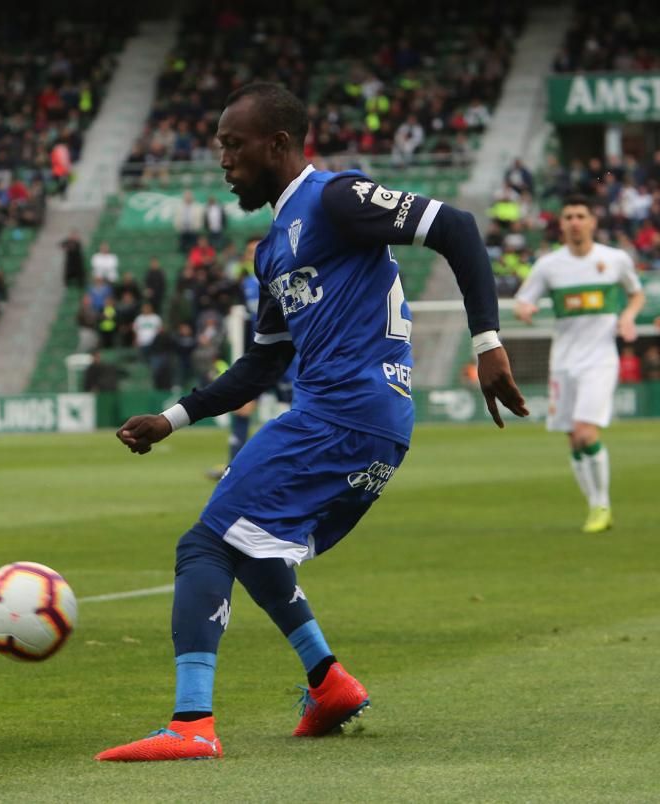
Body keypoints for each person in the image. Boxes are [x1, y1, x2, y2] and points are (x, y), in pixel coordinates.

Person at [96, 82, 527, 762]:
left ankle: (191, 723)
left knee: (204, 545)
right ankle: (328, 681)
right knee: (257, 550)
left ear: (279, 145)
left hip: (344, 412)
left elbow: (458, 228)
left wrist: (487, 341)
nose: (224, 162)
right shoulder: (272, 253)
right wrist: (173, 419)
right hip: (366, 423)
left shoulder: (335, 199)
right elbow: (261, 367)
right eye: (219, 148)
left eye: (234, 147)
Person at [514, 196, 645, 534]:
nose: (574, 221)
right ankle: (594, 505)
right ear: (562, 224)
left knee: (587, 431)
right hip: (563, 362)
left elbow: (636, 293)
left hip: (600, 359)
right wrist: (525, 310)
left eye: (580, 216)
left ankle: (601, 505)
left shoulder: (614, 259)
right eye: (568, 216)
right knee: (574, 439)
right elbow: (523, 300)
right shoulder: (549, 265)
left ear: (592, 222)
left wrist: (629, 317)